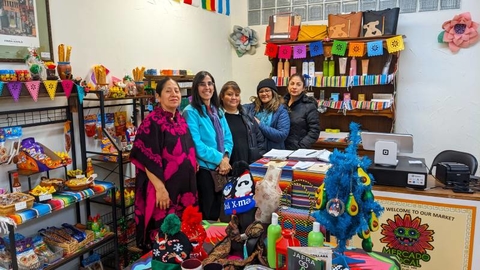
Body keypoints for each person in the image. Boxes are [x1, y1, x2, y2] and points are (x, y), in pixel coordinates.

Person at [130, 77, 198, 252]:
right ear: (158, 97)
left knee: (184, 237)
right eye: (168, 91)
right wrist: (160, 190)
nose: (174, 94)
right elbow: (146, 159)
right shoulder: (151, 122)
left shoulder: (180, 118)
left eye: (176, 90)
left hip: (185, 190)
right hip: (165, 191)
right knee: (165, 237)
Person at [183, 71, 233, 221]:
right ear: (196, 87)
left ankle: (217, 242)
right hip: (205, 171)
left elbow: (228, 138)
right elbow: (197, 145)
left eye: (210, 83)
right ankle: (206, 244)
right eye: (202, 84)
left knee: (220, 211)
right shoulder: (190, 112)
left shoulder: (217, 110)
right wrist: (220, 160)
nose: (207, 87)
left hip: (221, 169)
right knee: (207, 214)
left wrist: (226, 157)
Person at [219, 81, 266, 165]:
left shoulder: (247, 115)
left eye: (237, 95)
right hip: (226, 165)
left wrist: (257, 159)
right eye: (229, 94)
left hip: (248, 165)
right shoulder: (217, 117)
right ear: (222, 97)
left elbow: (260, 139)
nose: (234, 98)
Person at [243, 78, 290, 152]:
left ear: (273, 92)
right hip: (256, 153)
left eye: (267, 90)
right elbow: (238, 107)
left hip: (274, 154)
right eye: (261, 91)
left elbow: (281, 135)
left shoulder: (281, 111)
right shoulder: (252, 108)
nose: (264, 94)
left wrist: (259, 124)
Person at [284, 73, 320, 150]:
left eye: (298, 84)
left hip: (298, 150)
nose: (294, 87)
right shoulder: (281, 104)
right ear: (288, 86)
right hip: (281, 149)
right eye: (292, 84)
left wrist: (301, 147)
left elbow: (314, 131)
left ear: (303, 88)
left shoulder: (309, 106)